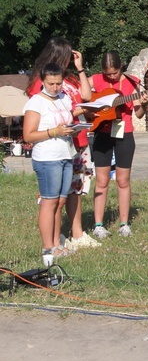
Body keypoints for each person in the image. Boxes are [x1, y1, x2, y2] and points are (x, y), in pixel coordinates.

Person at [26, 36, 99, 251]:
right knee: (53, 198)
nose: (68, 61)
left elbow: (85, 96)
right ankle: (52, 242)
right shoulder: (44, 83)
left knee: (73, 189)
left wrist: (80, 68)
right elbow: (35, 122)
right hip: (53, 146)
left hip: (74, 141)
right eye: (67, 57)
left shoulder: (68, 79)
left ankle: (76, 234)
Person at [23, 63, 84, 260]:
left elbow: (67, 120)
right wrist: (54, 132)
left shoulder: (64, 98)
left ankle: (57, 243)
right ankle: (47, 248)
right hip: (47, 159)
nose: (55, 87)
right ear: (42, 81)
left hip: (66, 154)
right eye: (51, 83)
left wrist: (74, 127)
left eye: (58, 83)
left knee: (61, 201)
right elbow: (28, 135)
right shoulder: (36, 103)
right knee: (49, 202)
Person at [89, 51, 148, 238]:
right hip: (102, 132)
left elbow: (139, 114)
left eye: (115, 73)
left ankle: (124, 224)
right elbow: (82, 97)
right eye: (108, 74)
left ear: (121, 67)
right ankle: (98, 225)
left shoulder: (133, 83)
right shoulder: (95, 80)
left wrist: (144, 103)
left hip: (125, 133)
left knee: (123, 180)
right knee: (101, 181)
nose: (112, 77)